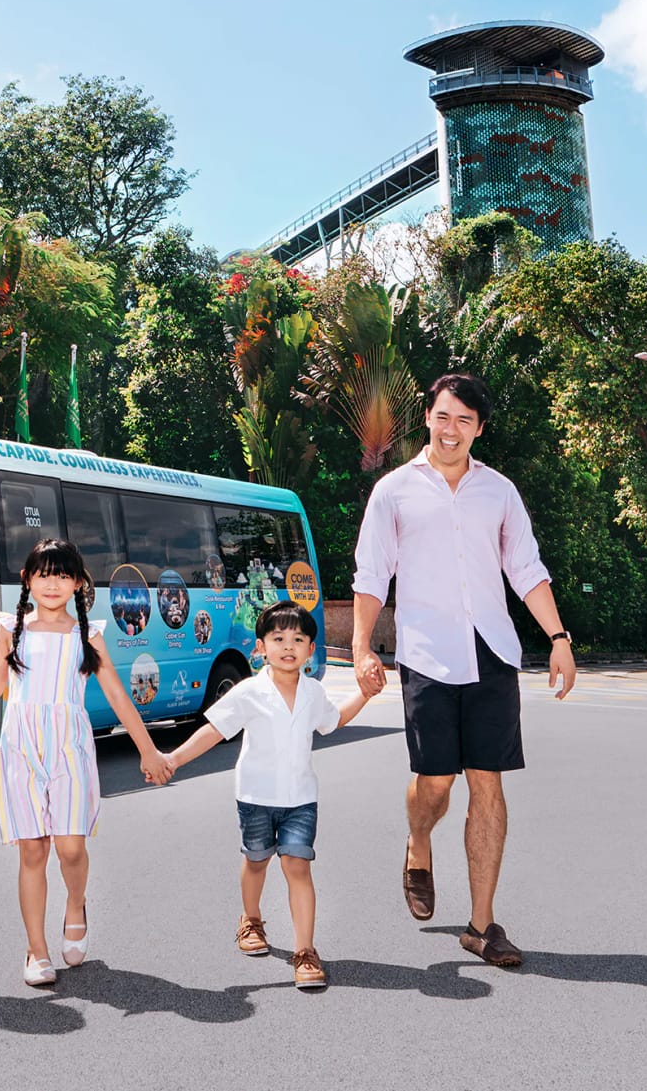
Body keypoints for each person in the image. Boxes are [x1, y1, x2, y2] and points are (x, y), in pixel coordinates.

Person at [351, 373, 576, 969]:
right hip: (425, 656)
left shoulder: (499, 492)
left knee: (488, 785)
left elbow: (525, 567)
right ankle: (418, 842)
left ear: (479, 429)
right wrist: (362, 646)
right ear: (428, 417)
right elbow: (372, 574)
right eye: (444, 417)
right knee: (435, 785)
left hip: (492, 655)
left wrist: (557, 635)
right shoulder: (394, 492)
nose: (453, 431)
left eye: (465, 422)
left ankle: (482, 924)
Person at [0, 538, 172, 985]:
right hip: (21, 748)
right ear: (27, 580)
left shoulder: (87, 633)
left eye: (62, 575)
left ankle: (75, 902)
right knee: (32, 850)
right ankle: (36, 951)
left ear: (78, 582)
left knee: (70, 847)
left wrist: (147, 748)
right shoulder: (11, 628)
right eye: (43, 574)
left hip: (70, 747)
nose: (52, 584)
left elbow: (116, 693)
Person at [163, 601, 382, 989]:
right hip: (256, 797)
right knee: (257, 860)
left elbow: (333, 722)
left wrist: (365, 694)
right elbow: (213, 731)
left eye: (298, 639)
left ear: (311, 650)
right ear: (261, 646)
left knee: (297, 865)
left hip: (300, 798)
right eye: (278, 638)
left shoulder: (313, 693)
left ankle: (305, 951)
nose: (288, 646)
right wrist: (173, 759)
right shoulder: (249, 692)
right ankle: (250, 919)